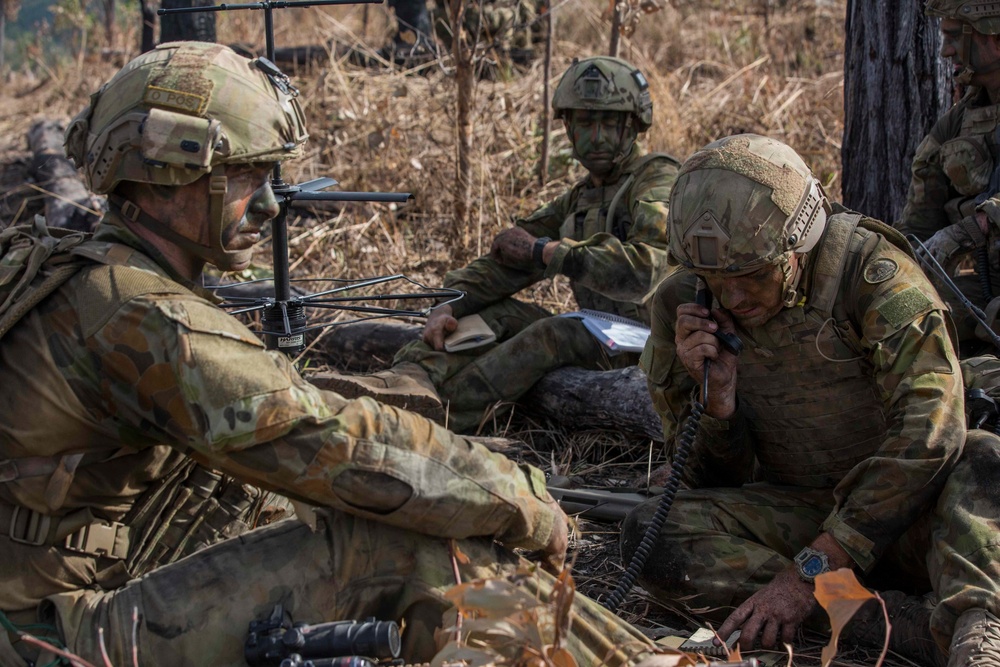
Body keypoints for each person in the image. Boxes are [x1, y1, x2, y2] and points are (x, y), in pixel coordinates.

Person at [0, 41, 656, 666]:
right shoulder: (138, 311)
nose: (267, 203)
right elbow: (327, 440)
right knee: (399, 545)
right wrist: (520, 499)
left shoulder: (76, 270)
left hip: (57, 597)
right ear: (170, 169)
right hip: (51, 635)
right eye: (245, 176)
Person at [621, 134, 1000, 667]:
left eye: (753, 276)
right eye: (715, 279)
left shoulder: (870, 276)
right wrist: (718, 405)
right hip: (799, 512)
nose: (733, 298)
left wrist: (809, 573)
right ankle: (883, 621)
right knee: (651, 533)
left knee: (985, 460)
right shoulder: (685, 304)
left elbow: (930, 435)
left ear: (799, 246)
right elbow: (707, 480)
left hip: (913, 515)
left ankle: (978, 627)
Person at [324, 56, 680, 434]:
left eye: (608, 123)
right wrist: (449, 301)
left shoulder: (656, 179)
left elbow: (648, 270)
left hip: (654, 346)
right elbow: (508, 260)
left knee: (555, 333)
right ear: (568, 127)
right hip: (603, 332)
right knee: (498, 314)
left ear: (633, 125)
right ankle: (406, 380)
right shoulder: (581, 197)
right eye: (584, 123)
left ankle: (439, 415)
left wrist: (547, 252)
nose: (596, 138)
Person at [896, 0, 1000, 352]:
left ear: (994, 36)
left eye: (955, 36)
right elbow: (920, 216)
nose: (944, 51)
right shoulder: (960, 119)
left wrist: (970, 228)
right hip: (974, 290)